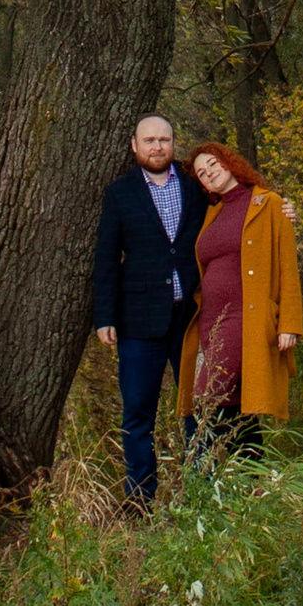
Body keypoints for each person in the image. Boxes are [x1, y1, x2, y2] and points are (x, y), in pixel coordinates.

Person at [92, 109, 205, 507]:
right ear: (135, 146)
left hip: (191, 317)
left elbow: (238, 208)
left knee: (196, 407)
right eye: (149, 140)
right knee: (138, 411)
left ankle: (202, 493)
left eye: (164, 140)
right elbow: (107, 257)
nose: (158, 146)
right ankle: (140, 498)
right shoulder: (120, 193)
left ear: (174, 144)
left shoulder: (195, 187)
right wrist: (103, 316)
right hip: (138, 321)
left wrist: (280, 209)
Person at [177, 142, 302, 464]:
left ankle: (198, 481)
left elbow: (287, 267)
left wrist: (289, 324)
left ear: (229, 163)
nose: (209, 174)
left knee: (207, 396)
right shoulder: (212, 213)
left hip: (243, 318)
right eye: (202, 174)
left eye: (213, 165)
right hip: (210, 320)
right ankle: (251, 483)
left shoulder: (268, 204)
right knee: (235, 405)